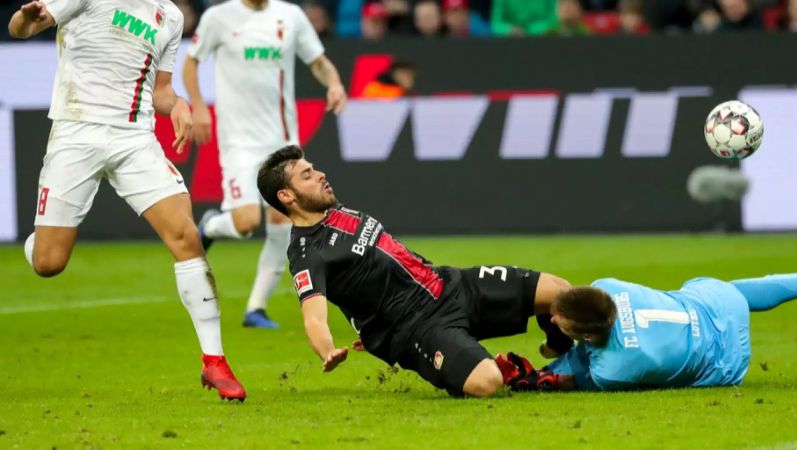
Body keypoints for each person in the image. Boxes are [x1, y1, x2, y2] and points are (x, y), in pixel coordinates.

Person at [8, 0, 245, 400]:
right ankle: (38, 240)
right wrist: (23, 19)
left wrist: (181, 104)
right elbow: (25, 28)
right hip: (77, 133)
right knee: (49, 263)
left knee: (186, 237)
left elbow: (162, 90)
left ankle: (215, 361)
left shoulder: (169, 16)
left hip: (134, 139)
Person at [256, 146, 577, 397]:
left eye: (314, 168)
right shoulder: (306, 252)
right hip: (419, 328)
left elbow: (367, 275)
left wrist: (369, 323)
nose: (321, 174)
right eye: (307, 175)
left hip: (450, 285)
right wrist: (328, 350)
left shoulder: (333, 209)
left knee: (562, 293)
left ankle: (559, 348)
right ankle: (521, 375)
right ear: (287, 196)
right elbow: (313, 316)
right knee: (487, 383)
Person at [495, 248, 797, 391]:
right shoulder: (610, 286)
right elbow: (585, 313)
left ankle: (534, 374)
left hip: (725, 365)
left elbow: (575, 377)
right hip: (716, 308)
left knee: (576, 366)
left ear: (584, 332)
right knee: (732, 291)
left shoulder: (613, 369)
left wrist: (542, 374)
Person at [183, 0, 347, 329]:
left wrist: (334, 82)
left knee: (283, 222)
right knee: (245, 223)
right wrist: (198, 106)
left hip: (282, 142)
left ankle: (256, 308)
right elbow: (190, 63)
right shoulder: (219, 17)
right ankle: (212, 225)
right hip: (239, 141)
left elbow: (317, 61)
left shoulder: (291, 15)